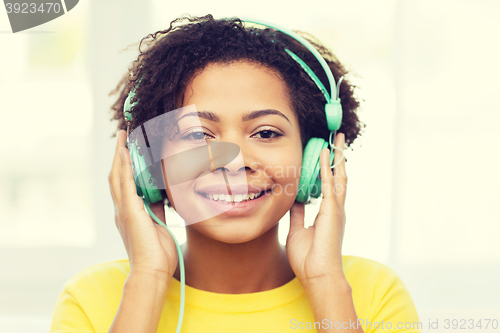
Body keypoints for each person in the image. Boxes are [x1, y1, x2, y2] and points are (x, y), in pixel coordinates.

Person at [50, 14, 421, 333]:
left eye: (265, 133)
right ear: (148, 165)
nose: (232, 161)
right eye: (197, 135)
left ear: (316, 159)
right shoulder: (92, 299)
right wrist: (147, 278)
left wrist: (325, 284)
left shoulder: (373, 294)